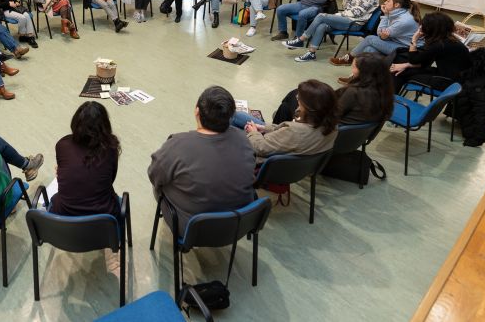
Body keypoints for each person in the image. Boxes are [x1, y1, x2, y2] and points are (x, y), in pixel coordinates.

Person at [148, 86, 255, 233]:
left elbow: (154, 175)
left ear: (197, 111)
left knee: (160, 185)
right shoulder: (244, 138)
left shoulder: (177, 144)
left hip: (193, 229)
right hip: (239, 224)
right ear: (230, 117)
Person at [231, 80, 339, 164]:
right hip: (286, 148)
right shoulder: (332, 126)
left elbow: (260, 148)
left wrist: (253, 132)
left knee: (231, 130)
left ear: (309, 107)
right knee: (239, 116)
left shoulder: (295, 131)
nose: (297, 98)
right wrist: (264, 128)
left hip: (265, 159)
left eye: (300, 98)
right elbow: (285, 134)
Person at [285, 0, 380, 62]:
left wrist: (340, 15)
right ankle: (311, 53)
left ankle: (301, 39)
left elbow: (358, 13)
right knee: (322, 26)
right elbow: (345, 6)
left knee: (322, 16)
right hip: (346, 18)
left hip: (355, 23)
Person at [50, 101, 122, 218]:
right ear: (105, 126)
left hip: (64, 221)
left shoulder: (62, 145)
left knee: (54, 198)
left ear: (75, 122)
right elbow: (111, 180)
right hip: (103, 222)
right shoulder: (111, 148)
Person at [390, 12, 472, 93]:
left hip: (448, 82)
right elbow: (426, 61)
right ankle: (391, 99)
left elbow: (413, 60)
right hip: (455, 78)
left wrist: (414, 39)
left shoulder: (439, 45)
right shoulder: (449, 40)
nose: (421, 28)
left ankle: (390, 101)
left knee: (399, 73)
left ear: (431, 29)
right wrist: (406, 65)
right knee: (403, 69)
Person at [331, 0, 421, 67]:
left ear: (396, 5)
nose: (385, 3)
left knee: (370, 39)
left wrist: (385, 17)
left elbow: (380, 35)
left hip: (406, 50)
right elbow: (383, 35)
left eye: (388, 1)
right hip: (397, 43)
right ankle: (357, 77)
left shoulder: (403, 20)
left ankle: (349, 58)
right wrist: (386, 18)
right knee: (369, 49)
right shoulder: (396, 15)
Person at [335, 53, 395, 124]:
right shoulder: (385, 91)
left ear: (365, 71)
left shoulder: (354, 92)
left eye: (354, 67)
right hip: (362, 134)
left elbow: (333, 114)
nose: (352, 70)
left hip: (337, 131)